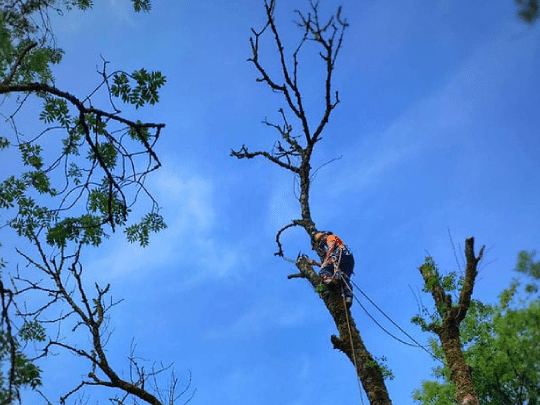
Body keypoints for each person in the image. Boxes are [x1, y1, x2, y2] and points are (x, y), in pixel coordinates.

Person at [310, 231, 355, 305]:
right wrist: (316, 263)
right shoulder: (336, 242)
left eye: (320, 240)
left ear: (324, 236)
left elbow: (330, 248)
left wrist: (324, 263)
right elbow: (329, 263)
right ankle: (348, 297)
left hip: (341, 254)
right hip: (348, 259)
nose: (321, 242)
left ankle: (330, 281)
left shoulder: (330, 237)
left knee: (323, 271)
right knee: (344, 278)